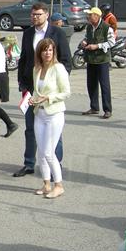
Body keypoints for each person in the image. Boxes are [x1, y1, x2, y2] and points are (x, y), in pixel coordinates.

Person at [13, 2, 70, 177]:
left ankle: (55, 166)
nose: (35, 17)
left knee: (54, 132)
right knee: (31, 128)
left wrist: (57, 81)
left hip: (50, 91)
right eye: (33, 14)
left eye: (38, 14)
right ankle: (29, 163)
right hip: (31, 89)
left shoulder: (57, 33)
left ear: (46, 15)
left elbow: (67, 60)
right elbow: (24, 59)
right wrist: (22, 84)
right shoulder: (28, 33)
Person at [30, 39, 71, 199]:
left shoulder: (58, 68)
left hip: (54, 113)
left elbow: (66, 92)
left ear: (54, 52)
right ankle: (46, 183)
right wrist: (33, 100)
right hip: (39, 113)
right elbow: (36, 91)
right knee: (40, 151)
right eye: (44, 50)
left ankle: (58, 185)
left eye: (50, 50)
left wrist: (49, 97)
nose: (47, 53)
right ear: (39, 52)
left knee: (48, 152)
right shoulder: (37, 69)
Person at [79, 6, 115, 120]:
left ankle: (107, 109)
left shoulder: (106, 27)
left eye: (90, 15)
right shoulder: (89, 27)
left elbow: (111, 42)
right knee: (91, 84)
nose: (88, 17)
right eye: (88, 15)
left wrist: (97, 46)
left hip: (102, 60)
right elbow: (86, 37)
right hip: (91, 59)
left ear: (97, 16)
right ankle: (94, 107)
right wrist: (84, 42)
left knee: (104, 85)